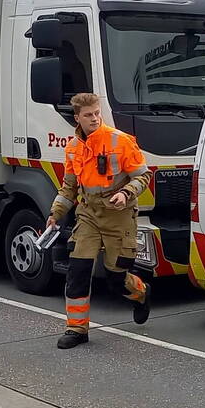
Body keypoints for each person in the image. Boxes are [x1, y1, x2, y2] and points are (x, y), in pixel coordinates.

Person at [47, 93, 152, 349]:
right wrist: (55, 214)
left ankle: (141, 292)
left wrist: (125, 193)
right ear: (77, 118)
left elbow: (143, 176)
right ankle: (76, 329)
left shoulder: (120, 141)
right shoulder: (73, 148)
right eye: (88, 115)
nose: (94, 118)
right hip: (88, 215)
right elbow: (69, 188)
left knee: (116, 278)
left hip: (119, 216)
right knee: (78, 271)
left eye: (97, 113)